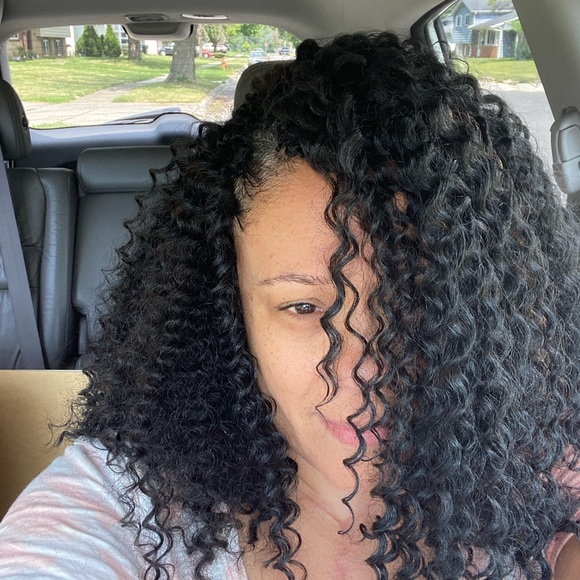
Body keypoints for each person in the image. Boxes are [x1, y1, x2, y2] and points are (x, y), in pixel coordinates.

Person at [0, 31, 579, 579]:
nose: (368, 371)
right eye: (304, 307)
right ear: (230, 316)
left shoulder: (539, 458)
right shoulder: (130, 503)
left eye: (417, 299)